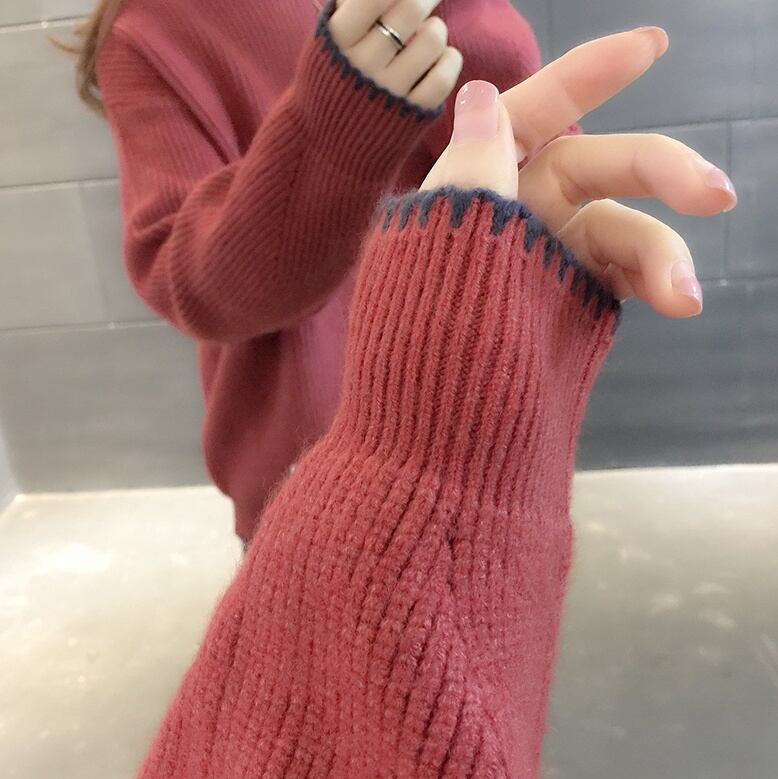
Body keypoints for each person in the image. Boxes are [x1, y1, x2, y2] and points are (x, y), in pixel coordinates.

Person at [64, 0, 738, 775]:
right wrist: (336, 123)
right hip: (302, 473)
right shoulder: (154, 29)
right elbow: (191, 283)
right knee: (330, 714)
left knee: (465, 707)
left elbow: (525, 143)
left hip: (476, 445)